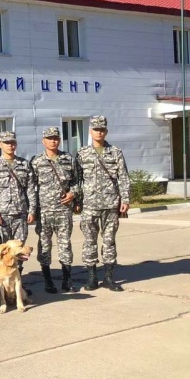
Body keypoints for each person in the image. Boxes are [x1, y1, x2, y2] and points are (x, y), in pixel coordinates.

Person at [76, 116, 130, 292]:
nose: (99, 132)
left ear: (106, 131)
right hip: (90, 204)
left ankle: (108, 277)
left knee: (109, 241)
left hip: (110, 203)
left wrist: (125, 199)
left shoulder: (115, 152)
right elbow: (77, 180)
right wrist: (77, 201)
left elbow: (123, 177)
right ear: (90, 131)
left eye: (102, 129)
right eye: (95, 129)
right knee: (89, 241)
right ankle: (92, 277)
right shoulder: (82, 153)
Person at [30, 127, 79, 293]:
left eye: (56, 138)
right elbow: (31, 187)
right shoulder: (36, 162)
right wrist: (32, 210)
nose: (53, 141)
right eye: (49, 138)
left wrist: (73, 193)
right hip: (43, 212)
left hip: (64, 210)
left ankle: (67, 280)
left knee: (65, 245)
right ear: (43, 141)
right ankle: (48, 281)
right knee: (44, 246)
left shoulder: (68, 159)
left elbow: (76, 181)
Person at [0, 131, 37, 261]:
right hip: (2, 215)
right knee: (3, 250)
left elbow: (30, 189)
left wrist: (32, 210)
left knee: (19, 249)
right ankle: (3, 279)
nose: (10, 145)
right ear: (0, 145)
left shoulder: (24, 164)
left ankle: (18, 277)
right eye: (7, 143)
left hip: (20, 214)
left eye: (13, 142)